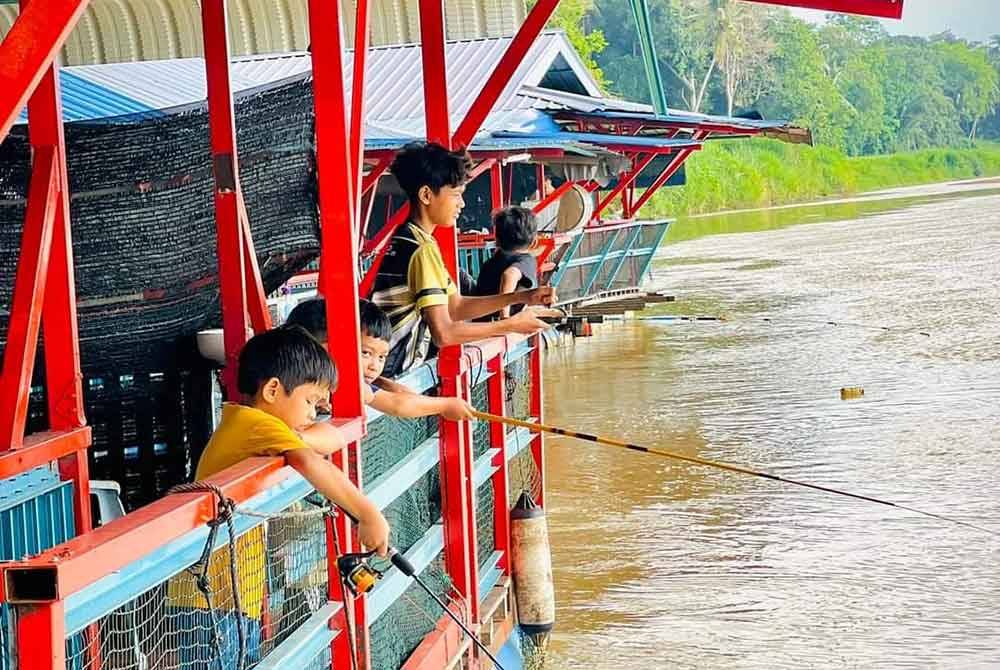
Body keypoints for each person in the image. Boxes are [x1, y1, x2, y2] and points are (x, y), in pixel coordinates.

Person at [167, 327, 389, 668]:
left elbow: (325, 439)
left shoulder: (248, 421)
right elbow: (310, 460)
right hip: (213, 603)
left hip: (230, 598)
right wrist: (368, 513)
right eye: (310, 401)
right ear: (273, 390)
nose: (315, 413)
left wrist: (301, 430)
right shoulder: (256, 424)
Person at [371, 141, 557, 378]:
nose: (462, 204)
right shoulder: (421, 249)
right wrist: (510, 324)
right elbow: (444, 334)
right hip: (389, 368)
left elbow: (455, 306)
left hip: (384, 366)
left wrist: (523, 296)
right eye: (457, 195)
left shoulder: (413, 239)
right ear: (426, 195)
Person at [284, 297, 475, 420]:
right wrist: (446, 405)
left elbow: (400, 393)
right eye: (365, 353)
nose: (375, 366)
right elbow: (397, 405)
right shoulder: (347, 382)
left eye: (382, 357)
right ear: (322, 348)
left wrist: (384, 384)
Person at [473, 206, 539, 319]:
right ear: (534, 242)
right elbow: (510, 275)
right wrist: (504, 317)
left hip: (479, 323)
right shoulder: (526, 260)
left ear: (497, 241)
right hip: (498, 327)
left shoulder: (490, 263)